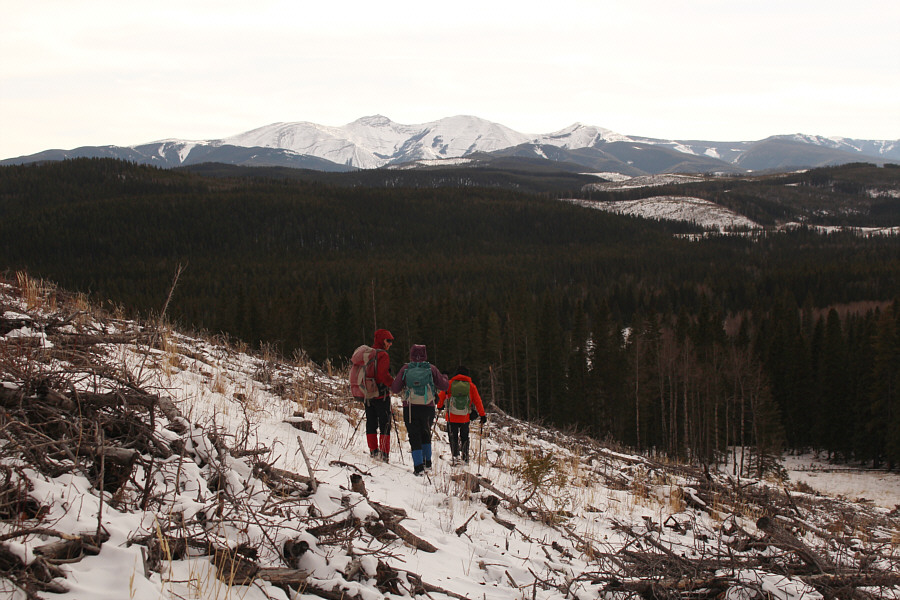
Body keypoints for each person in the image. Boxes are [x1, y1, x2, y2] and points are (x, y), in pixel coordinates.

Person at [391, 344, 448, 475]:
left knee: (414, 435)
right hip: (428, 406)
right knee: (426, 433)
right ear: (425, 354)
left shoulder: (406, 368)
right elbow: (444, 386)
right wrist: (444, 376)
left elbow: (395, 388)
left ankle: (418, 467)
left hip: (410, 407)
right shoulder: (431, 368)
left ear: (411, 354)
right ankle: (427, 463)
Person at [436, 366, 486, 465]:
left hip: (452, 416)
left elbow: (441, 396)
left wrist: (440, 406)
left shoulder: (450, 384)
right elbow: (478, 401)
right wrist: (482, 415)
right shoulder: (471, 386)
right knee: (464, 437)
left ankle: (455, 456)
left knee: (452, 436)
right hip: (465, 417)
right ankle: (465, 457)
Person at [365, 329, 395, 461]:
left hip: (368, 393)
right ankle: (384, 453)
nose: (390, 344)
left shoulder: (367, 352)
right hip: (381, 394)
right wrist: (393, 384)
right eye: (388, 341)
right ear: (382, 340)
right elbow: (383, 375)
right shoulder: (383, 355)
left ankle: (373, 450)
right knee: (385, 423)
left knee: (371, 422)